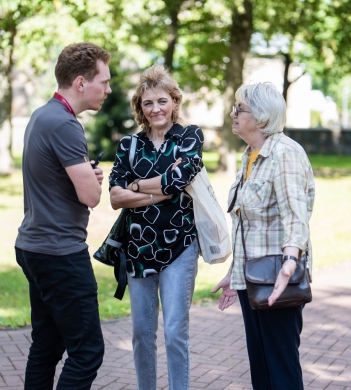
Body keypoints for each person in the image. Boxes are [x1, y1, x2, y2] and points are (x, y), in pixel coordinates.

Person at [15, 42, 112, 390]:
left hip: (33, 246)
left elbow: (55, 178)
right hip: (59, 253)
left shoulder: (43, 115)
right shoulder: (66, 125)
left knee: (47, 346)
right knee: (87, 351)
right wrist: (90, 179)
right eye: (105, 81)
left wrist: (84, 171)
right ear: (82, 82)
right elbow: (90, 196)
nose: (109, 89)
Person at [212, 82, 315, 390]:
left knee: (280, 368)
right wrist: (234, 273)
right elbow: (247, 222)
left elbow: (296, 216)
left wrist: (289, 261)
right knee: (261, 366)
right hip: (252, 277)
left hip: (278, 278)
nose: (232, 113)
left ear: (260, 118)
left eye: (239, 108)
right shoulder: (251, 155)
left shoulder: (285, 154)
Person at [109, 64, 204, 390]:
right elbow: (115, 198)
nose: (156, 109)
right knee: (141, 333)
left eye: (162, 101)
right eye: (148, 103)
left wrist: (135, 186)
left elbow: (180, 179)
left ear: (174, 101)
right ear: (140, 108)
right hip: (139, 250)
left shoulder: (190, 136)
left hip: (180, 246)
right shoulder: (128, 146)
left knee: (175, 330)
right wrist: (159, 190)